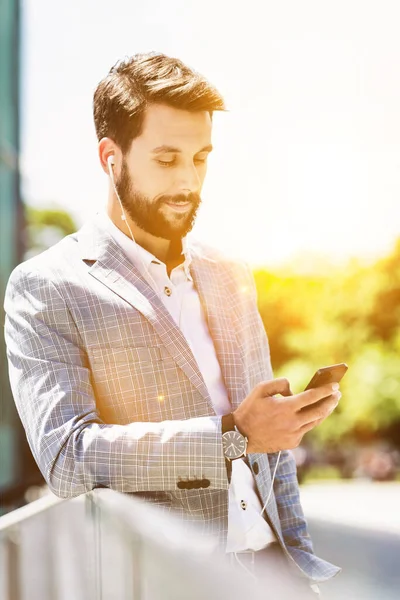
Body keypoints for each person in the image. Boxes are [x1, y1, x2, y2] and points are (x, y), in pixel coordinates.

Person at [4, 53, 341, 597]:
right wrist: (234, 435)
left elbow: (273, 459)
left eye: (200, 158)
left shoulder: (231, 275)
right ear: (110, 158)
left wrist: (299, 564)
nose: (188, 180)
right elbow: (67, 458)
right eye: (166, 159)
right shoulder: (46, 286)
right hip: (163, 580)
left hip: (273, 575)